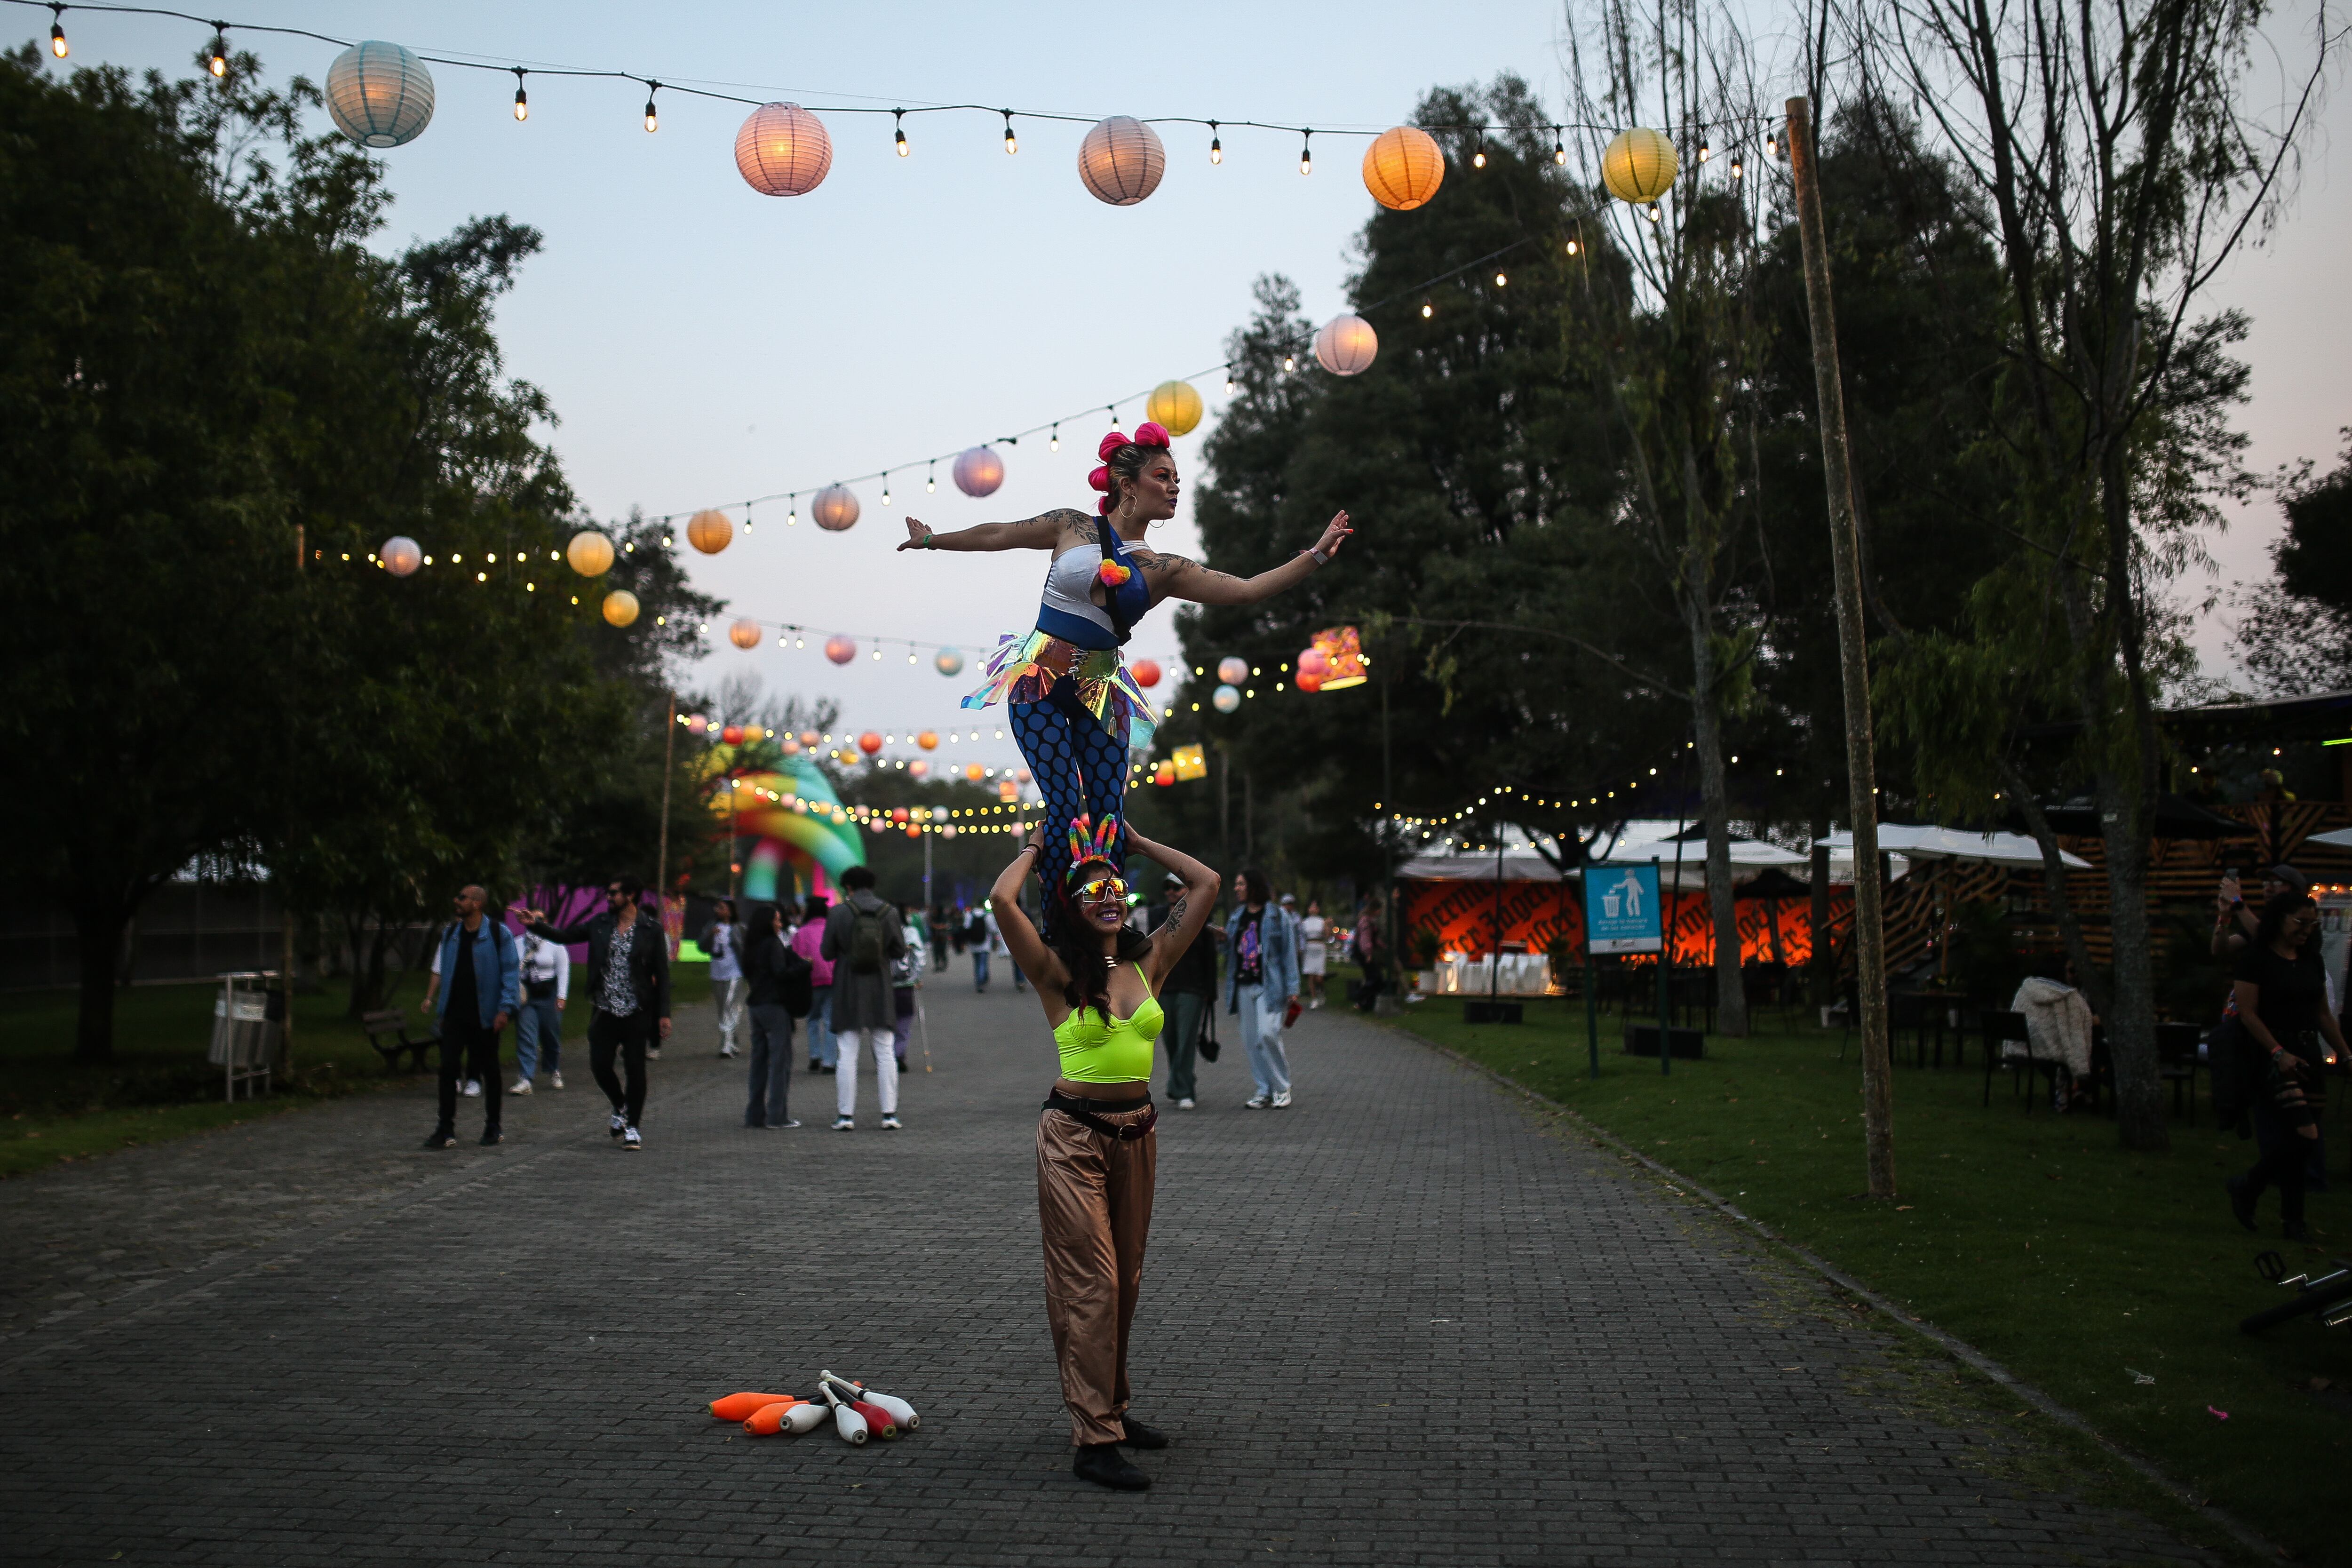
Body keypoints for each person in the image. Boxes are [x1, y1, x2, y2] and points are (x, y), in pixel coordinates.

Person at [901, 422, 1351, 916]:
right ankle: (1057, 920)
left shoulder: (1165, 569)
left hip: (1101, 688)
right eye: (1162, 476)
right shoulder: (1070, 526)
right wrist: (931, 541)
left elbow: (1244, 590)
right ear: (1126, 483)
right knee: (1063, 803)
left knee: (1108, 815)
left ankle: (1108, 917)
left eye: (1177, 478)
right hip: (1040, 679)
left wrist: (1314, 556)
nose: (1174, 486)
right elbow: (998, 534)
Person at [993, 814, 1219, 1491]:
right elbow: (1004, 902)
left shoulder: (1151, 961)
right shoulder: (1055, 971)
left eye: (1116, 885)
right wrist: (1037, 848)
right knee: (1091, 1283)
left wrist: (1140, 842)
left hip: (1138, 1133)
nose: (1109, 894)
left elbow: (1204, 882)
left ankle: (1112, 1409)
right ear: (1071, 906)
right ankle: (1094, 1438)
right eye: (1091, 890)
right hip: (1073, 1137)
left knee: (1127, 1279)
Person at [2226, 891, 2347, 1241]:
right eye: (2300, 922)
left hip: (2307, 1052)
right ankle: (2248, 1185)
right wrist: (2278, 1052)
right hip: (2271, 1053)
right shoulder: (2256, 960)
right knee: (2304, 1132)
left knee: (2303, 1140)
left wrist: (2346, 1054)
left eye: (2312, 923)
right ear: (2280, 919)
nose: (2306, 930)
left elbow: (2323, 1014)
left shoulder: (2311, 961)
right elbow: (2247, 1013)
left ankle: (2292, 1219)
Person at [524, 878, 671, 1153]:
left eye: (614, 893)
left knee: (636, 1070)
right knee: (600, 1065)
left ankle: (633, 1128)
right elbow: (566, 936)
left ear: (631, 895)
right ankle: (620, 1104)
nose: (609, 897)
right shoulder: (601, 924)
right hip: (605, 1009)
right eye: (608, 893)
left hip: (637, 1010)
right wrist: (536, 925)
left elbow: (662, 974)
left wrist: (664, 1015)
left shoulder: (651, 929)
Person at [418, 885, 520, 1148]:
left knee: (490, 1071)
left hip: (486, 1016)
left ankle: (493, 1126)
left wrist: (504, 1009)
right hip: (454, 1015)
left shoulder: (499, 934)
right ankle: (445, 1128)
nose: (457, 900)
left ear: (477, 903)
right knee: (448, 1069)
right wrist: (442, 1010)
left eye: (462, 897)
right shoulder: (451, 934)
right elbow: (447, 974)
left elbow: (510, 972)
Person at [821, 867, 908, 1130]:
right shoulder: (889, 912)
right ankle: (889, 1114)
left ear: (848, 886)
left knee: (847, 1052)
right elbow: (899, 950)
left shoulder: (838, 913)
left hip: (847, 986)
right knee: (885, 1051)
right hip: (880, 987)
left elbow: (826, 952)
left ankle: (846, 1115)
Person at [1224, 869, 1300, 1109]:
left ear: (1253, 886)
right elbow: (1230, 953)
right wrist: (1221, 940)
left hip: (1271, 986)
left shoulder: (1277, 916)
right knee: (1251, 1041)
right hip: (1243, 985)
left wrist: (1293, 986)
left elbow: (1289, 952)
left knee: (1268, 1034)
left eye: (1240, 884)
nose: (1236, 889)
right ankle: (1264, 1090)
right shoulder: (1237, 917)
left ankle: (1282, 1087)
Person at [1150, 872, 1218, 1109]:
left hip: (1193, 987)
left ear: (1187, 890)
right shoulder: (1157, 915)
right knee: (1170, 1039)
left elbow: (1210, 957)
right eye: (1167, 887)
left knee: (1186, 1039)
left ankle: (1184, 1089)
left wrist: (1211, 992)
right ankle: (1181, 1081)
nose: (1171, 892)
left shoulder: (1200, 917)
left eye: (1176, 888)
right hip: (1164, 987)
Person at [742, 902, 808, 1129]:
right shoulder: (773, 944)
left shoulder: (751, 945)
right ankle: (777, 1116)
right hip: (775, 1006)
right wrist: (804, 966)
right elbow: (781, 973)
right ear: (768, 923)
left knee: (758, 1061)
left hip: (756, 1005)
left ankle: (754, 1114)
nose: (781, 924)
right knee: (781, 1061)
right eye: (778, 920)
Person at [511, 917, 569, 1093]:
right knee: (526, 1035)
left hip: (548, 994)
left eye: (541, 919)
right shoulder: (518, 943)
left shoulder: (554, 943)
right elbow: (511, 968)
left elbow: (563, 969)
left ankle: (553, 1068)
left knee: (551, 1035)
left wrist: (561, 996)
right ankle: (526, 1078)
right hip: (526, 995)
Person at [794, 893, 836, 1073]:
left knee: (812, 1019)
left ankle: (815, 1055)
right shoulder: (832, 930)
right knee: (829, 1020)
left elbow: (796, 958)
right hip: (833, 979)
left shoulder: (801, 933)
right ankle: (829, 1061)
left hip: (810, 981)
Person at [701, 898, 748, 1059]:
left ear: (730, 911)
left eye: (722, 908)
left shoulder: (738, 928)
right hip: (717, 971)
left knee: (729, 1005)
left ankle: (726, 1045)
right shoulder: (712, 926)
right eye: (717, 907)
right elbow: (701, 946)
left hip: (734, 972)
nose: (718, 910)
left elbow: (745, 947)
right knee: (722, 1007)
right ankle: (733, 1039)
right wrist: (710, 935)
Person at [892, 906, 927, 1072]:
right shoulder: (910, 932)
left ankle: (886, 1056)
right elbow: (919, 955)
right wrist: (917, 977)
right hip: (905, 984)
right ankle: (899, 1054)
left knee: (884, 1024)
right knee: (904, 1021)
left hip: (884, 985)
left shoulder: (880, 930)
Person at [1298, 898, 1329, 1009]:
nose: (1313, 909)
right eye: (1311, 907)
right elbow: (1302, 936)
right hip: (1309, 948)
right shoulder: (1305, 922)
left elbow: (1327, 936)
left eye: (1315, 907)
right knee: (1311, 975)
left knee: (1319, 977)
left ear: (1318, 910)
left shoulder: (1322, 921)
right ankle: (1314, 998)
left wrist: (1327, 925)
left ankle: (1321, 990)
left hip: (1319, 947)